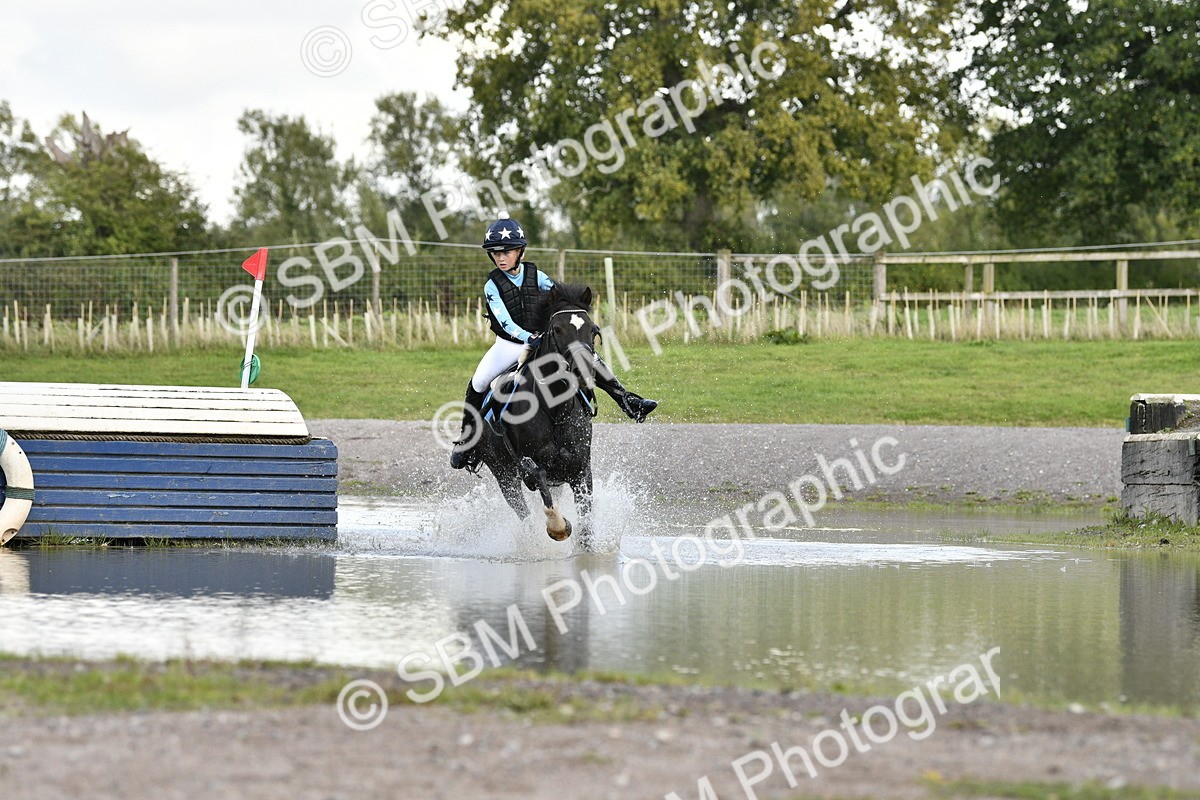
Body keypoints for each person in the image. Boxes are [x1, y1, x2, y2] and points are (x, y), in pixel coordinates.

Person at [450, 213, 658, 469]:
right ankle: (467, 440)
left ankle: (628, 401)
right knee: (480, 382)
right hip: (508, 345)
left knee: (588, 356)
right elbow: (505, 322)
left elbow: (557, 297)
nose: (501, 258)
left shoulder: (536, 275)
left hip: (541, 339)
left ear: (520, 251)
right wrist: (530, 337)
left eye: (507, 252)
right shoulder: (492, 285)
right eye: (495, 253)